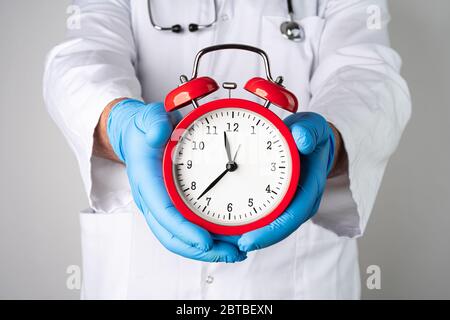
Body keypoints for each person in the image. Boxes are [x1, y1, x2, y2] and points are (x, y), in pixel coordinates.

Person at [43, 0, 411, 299]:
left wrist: (333, 139)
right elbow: (80, 60)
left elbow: (368, 74)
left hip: (294, 278)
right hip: (141, 277)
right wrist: (118, 125)